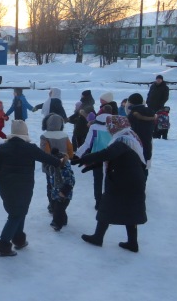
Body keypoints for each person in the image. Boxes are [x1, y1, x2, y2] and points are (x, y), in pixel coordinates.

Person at [0, 120, 63, 257]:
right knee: (16, 214)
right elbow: (47, 158)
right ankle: (3, 246)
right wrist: (60, 162)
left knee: (19, 212)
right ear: (25, 131)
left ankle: (19, 239)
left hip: (5, 186)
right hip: (24, 186)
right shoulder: (30, 148)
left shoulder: (3, 148)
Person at [75, 116, 147, 253]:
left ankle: (98, 237)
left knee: (107, 207)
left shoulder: (122, 140)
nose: (108, 128)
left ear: (115, 126)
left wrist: (85, 158)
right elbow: (116, 157)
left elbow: (107, 153)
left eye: (109, 126)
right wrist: (94, 165)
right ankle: (132, 243)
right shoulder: (129, 134)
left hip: (123, 181)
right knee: (130, 210)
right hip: (133, 178)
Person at [75, 105, 112, 210]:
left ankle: (98, 202)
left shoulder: (94, 126)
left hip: (96, 155)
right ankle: (109, 200)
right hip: (111, 155)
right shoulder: (115, 125)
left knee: (98, 179)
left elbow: (87, 143)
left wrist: (77, 155)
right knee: (110, 179)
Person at [39, 113, 74, 214]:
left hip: (50, 167)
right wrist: (68, 157)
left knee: (50, 185)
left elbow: (45, 152)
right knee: (61, 184)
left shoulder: (45, 136)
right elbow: (70, 150)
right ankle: (60, 203)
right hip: (63, 163)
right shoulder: (65, 135)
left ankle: (52, 205)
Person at [125, 93, 156, 169]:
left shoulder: (132, 115)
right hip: (147, 145)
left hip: (134, 146)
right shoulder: (151, 112)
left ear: (131, 102)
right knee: (144, 168)